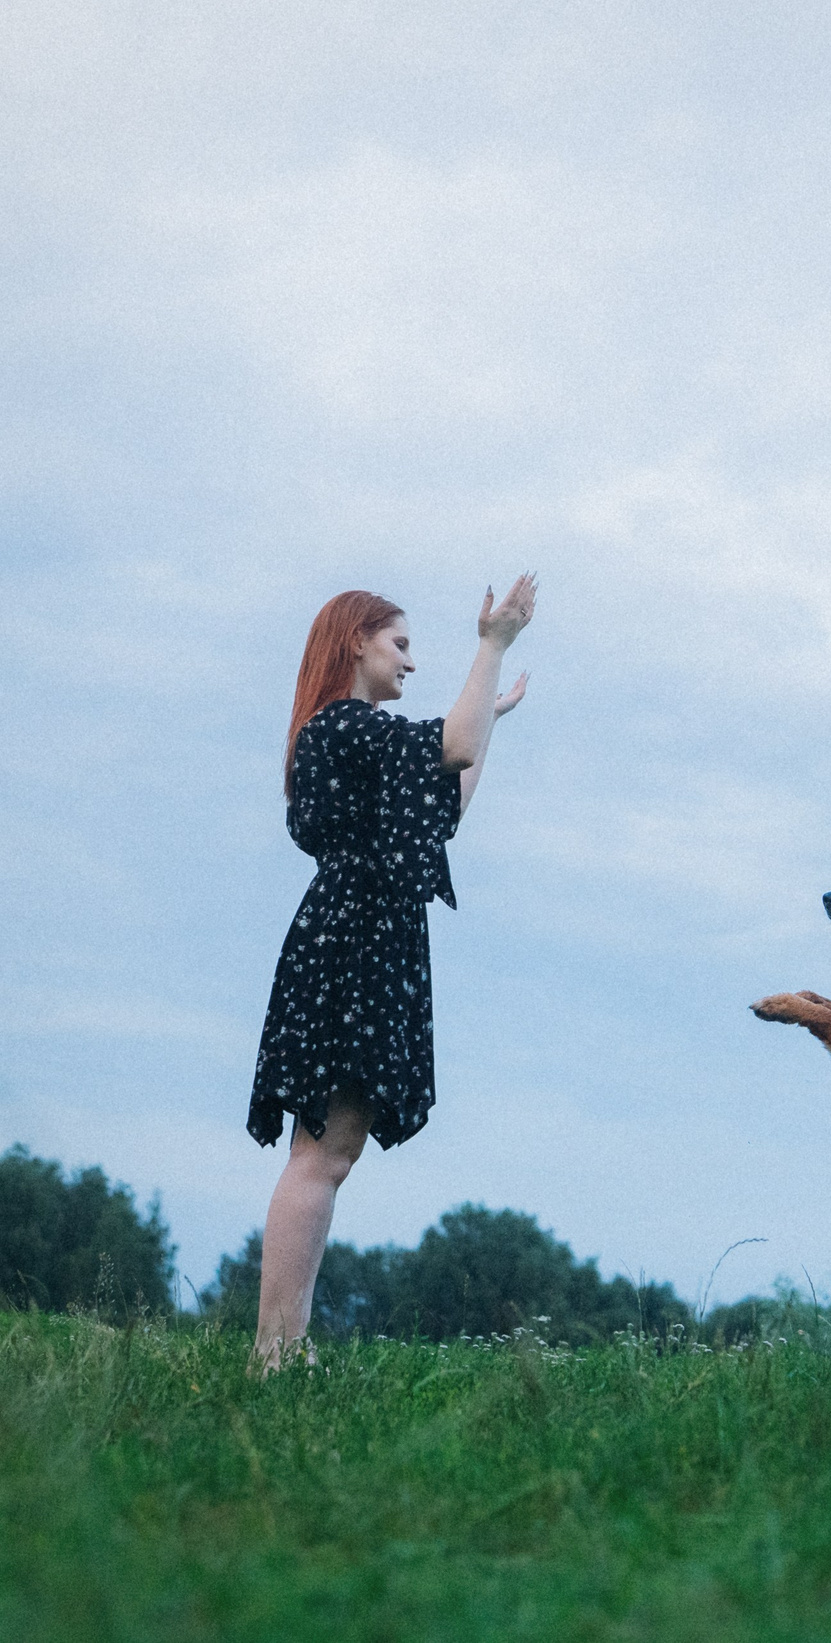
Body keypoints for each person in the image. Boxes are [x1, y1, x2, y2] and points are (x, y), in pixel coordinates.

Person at [246, 576, 537, 1366]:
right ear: (357, 642)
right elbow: (453, 745)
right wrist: (492, 642)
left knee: (326, 1156)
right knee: (320, 1156)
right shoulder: (345, 728)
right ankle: (275, 1353)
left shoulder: (351, 738)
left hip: (359, 937)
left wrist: (491, 710)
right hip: (354, 941)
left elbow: (447, 803)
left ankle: (283, 1349)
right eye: (400, 644)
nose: (410, 662)